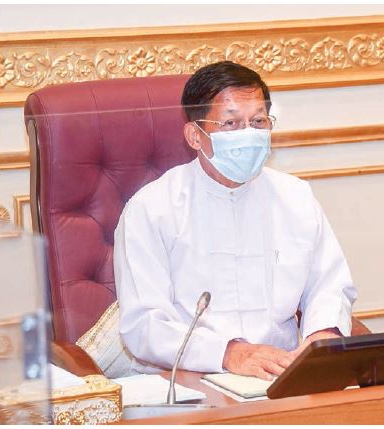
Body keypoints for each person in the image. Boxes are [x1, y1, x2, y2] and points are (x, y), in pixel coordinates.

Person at [115, 61, 357, 380]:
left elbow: (329, 284)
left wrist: (322, 335)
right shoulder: (151, 208)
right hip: (189, 377)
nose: (248, 135)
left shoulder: (295, 197)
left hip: (281, 373)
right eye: (231, 123)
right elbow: (144, 324)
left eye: (258, 121)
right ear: (195, 135)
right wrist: (229, 353)